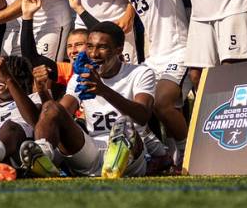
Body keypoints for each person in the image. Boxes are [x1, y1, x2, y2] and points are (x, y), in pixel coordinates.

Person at [44, 0, 191, 166]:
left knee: (163, 102)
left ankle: (187, 152)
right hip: (153, 56)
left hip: (178, 50)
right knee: (142, 109)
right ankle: (160, 155)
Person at [33, 23, 172, 177]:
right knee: (51, 107)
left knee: (124, 124)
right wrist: (43, 92)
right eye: (90, 47)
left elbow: (143, 116)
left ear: (119, 49)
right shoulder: (80, 77)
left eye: (102, 47)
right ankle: (41, 156)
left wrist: (104, 90)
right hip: (92, 150)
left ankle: (116, 159)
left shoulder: (140, 73)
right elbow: (60, 114)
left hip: (131, 154)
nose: (93, 54)